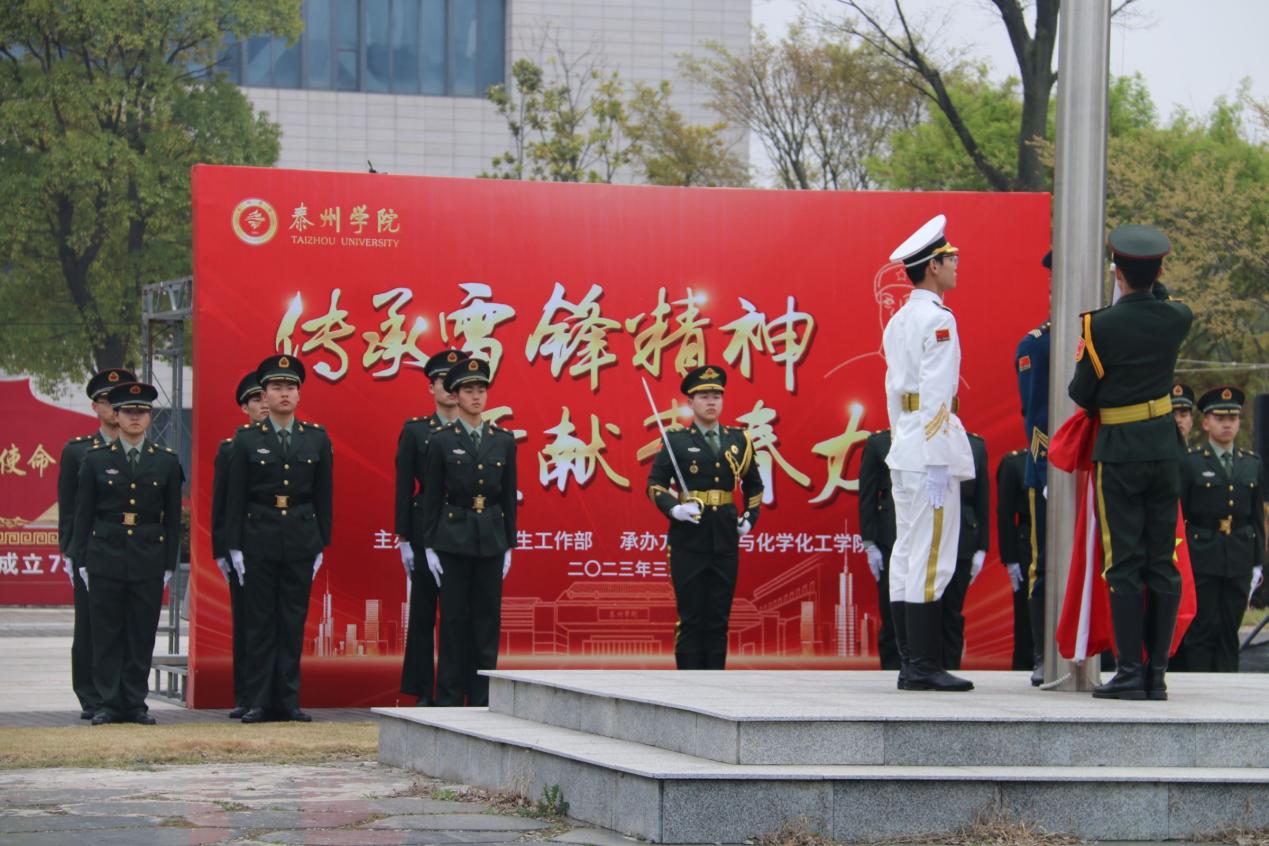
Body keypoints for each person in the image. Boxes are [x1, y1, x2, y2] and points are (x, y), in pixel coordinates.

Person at [1068, 223, 1193, 701]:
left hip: (1119, 452)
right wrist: (1148, 282)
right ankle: (1157, 676)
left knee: (1123, 563)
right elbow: (1164, 298)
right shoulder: (1177, 317)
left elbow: (1082, 392)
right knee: (1162, 561)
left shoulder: (1099, 326)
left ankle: (1128, 671)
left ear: (1116, 273)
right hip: (1163, 448)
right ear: (1159, 271)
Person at [881, 214, 975, 692]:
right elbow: (937, 393)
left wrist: (904, 440)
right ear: (933, 266)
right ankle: (922, 664)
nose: (956, 264)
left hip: (905, 446)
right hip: (928, 451)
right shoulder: (938, 319)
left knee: (906, 552)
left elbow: (893, 393)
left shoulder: (899, 319)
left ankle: (909, 661)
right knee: (931, 555)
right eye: (950, 258)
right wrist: (938, 458)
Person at [225, 355, 332, 723]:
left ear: (299, 395)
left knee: (291, 621)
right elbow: (235, 497)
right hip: (258, 536)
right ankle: (257, 700)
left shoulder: (315, 438)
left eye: (290, 387)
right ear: (264, 395)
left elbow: (323, 495)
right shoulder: (246, 440)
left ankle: (287, 700)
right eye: (276, 387)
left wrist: (321, 542)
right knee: (259, 622)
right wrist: (234, 546)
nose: (284, 393)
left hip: (301, 537)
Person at [70, 382, 183, 725]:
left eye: (142, 412)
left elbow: (172, 518)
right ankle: (108, 702)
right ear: (116, 416)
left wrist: (169, 562)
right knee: (106, 632)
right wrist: (80, 560)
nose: (136, 417)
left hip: (148, 555)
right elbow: (83, 515)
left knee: (141, 632)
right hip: (105, 553)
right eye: (129, 411)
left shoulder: (165, 462)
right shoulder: (95, 459)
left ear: (150, 417)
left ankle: (134, 702)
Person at [646, 364, 764, 670]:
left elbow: (754, 485)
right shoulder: (675, 441)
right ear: (690, 402)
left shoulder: (739, 439)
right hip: (689, 537)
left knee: (718, 618)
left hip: (724, 535)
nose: (711, 402)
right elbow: (655, 485)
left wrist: (749, 518)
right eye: (704, 396)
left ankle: (715, 684)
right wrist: (675, 508)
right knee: (691, 617)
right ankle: (688, 686)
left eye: (716, 396)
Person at [418, 357, 517, 706]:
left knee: (487, 619)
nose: (476, 397)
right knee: (453, 619)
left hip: (491, 537)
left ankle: (482, 696)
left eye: (481, 390)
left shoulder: (502, 440)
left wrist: (509, 544)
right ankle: (448, 695)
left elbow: (508, 495)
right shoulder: (441, 440)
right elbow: (431, 496)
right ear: (456, 395)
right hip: (453, 536)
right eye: (468, 390)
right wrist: (429, 545)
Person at [57, 367, 135, 720]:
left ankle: (123, 694)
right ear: (96, 407)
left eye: (122, 401)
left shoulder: (142, 450)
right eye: (107, 401)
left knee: (128, 624)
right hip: (91, 551)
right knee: (90, 624)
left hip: (132, 548)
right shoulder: (79, 451)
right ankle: (91, 695)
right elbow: (70, 508)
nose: (115, 408)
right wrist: (70, 551)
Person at [397, 349, 469, 705]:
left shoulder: (475, 432)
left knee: (459, 614)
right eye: (443, 381)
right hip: (423, 527)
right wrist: (403, 537)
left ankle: (455, 689)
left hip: (463, 527)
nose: (450, 389)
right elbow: (403, 486)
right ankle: (423, 690)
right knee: (424, 612)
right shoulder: (416, 431)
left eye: (457, 383)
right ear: (432, 387)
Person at [1174, 387, 1264, 671]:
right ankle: (1200, 683)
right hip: (1202, 553)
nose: (1227, 424)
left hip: (1239, 554)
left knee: (1229, 628)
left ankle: (1228, 683)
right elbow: (1181, 514)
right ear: (1205, 423)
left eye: (1233, 418)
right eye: (1220, 418)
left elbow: (1256, 517)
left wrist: (1259, 562)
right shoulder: (1191, 462)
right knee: (1202, 627)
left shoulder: (1251, 463)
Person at [210, 372, 267, 718]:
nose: (264, 404)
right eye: (256, 399)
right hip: (242, 548)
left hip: (275, 543)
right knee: (246, 622)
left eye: (266, 397)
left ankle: (272, 694)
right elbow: (222, 504)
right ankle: (245, 694)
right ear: (245, 407)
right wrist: (222, 550)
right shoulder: (232, 448)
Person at [1014, 249, 1051, 686]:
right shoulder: (1036, 344)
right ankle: (1043, 654)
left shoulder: (1102, 336)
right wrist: (1046, 469)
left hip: (1097, 466)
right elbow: (1035, 415)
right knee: (1043, 564)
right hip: (1049, 467)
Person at [941, 431, 989, 670]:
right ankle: (922, 664)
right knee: (927, 605)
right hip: (930, 532)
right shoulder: (918, 437)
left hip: (963, 536)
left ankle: (950, 667)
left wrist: (982, 547)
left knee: (952, 609)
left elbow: (982, 498)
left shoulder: (975, 445)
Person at [858, 429, 899, 670]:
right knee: (891, 607)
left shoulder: (931, 436)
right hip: (888, 536)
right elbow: (867, 495)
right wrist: (869, 542)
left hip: (924, 532)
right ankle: (892, 668)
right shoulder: (879, 442)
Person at [996, 447, 1036, 671]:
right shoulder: (1015, 463)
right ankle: (1027, 661)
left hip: (1063, 539)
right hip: (1027, 542)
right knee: (1026, 609)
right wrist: (1010, 558)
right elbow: (1005, 514)